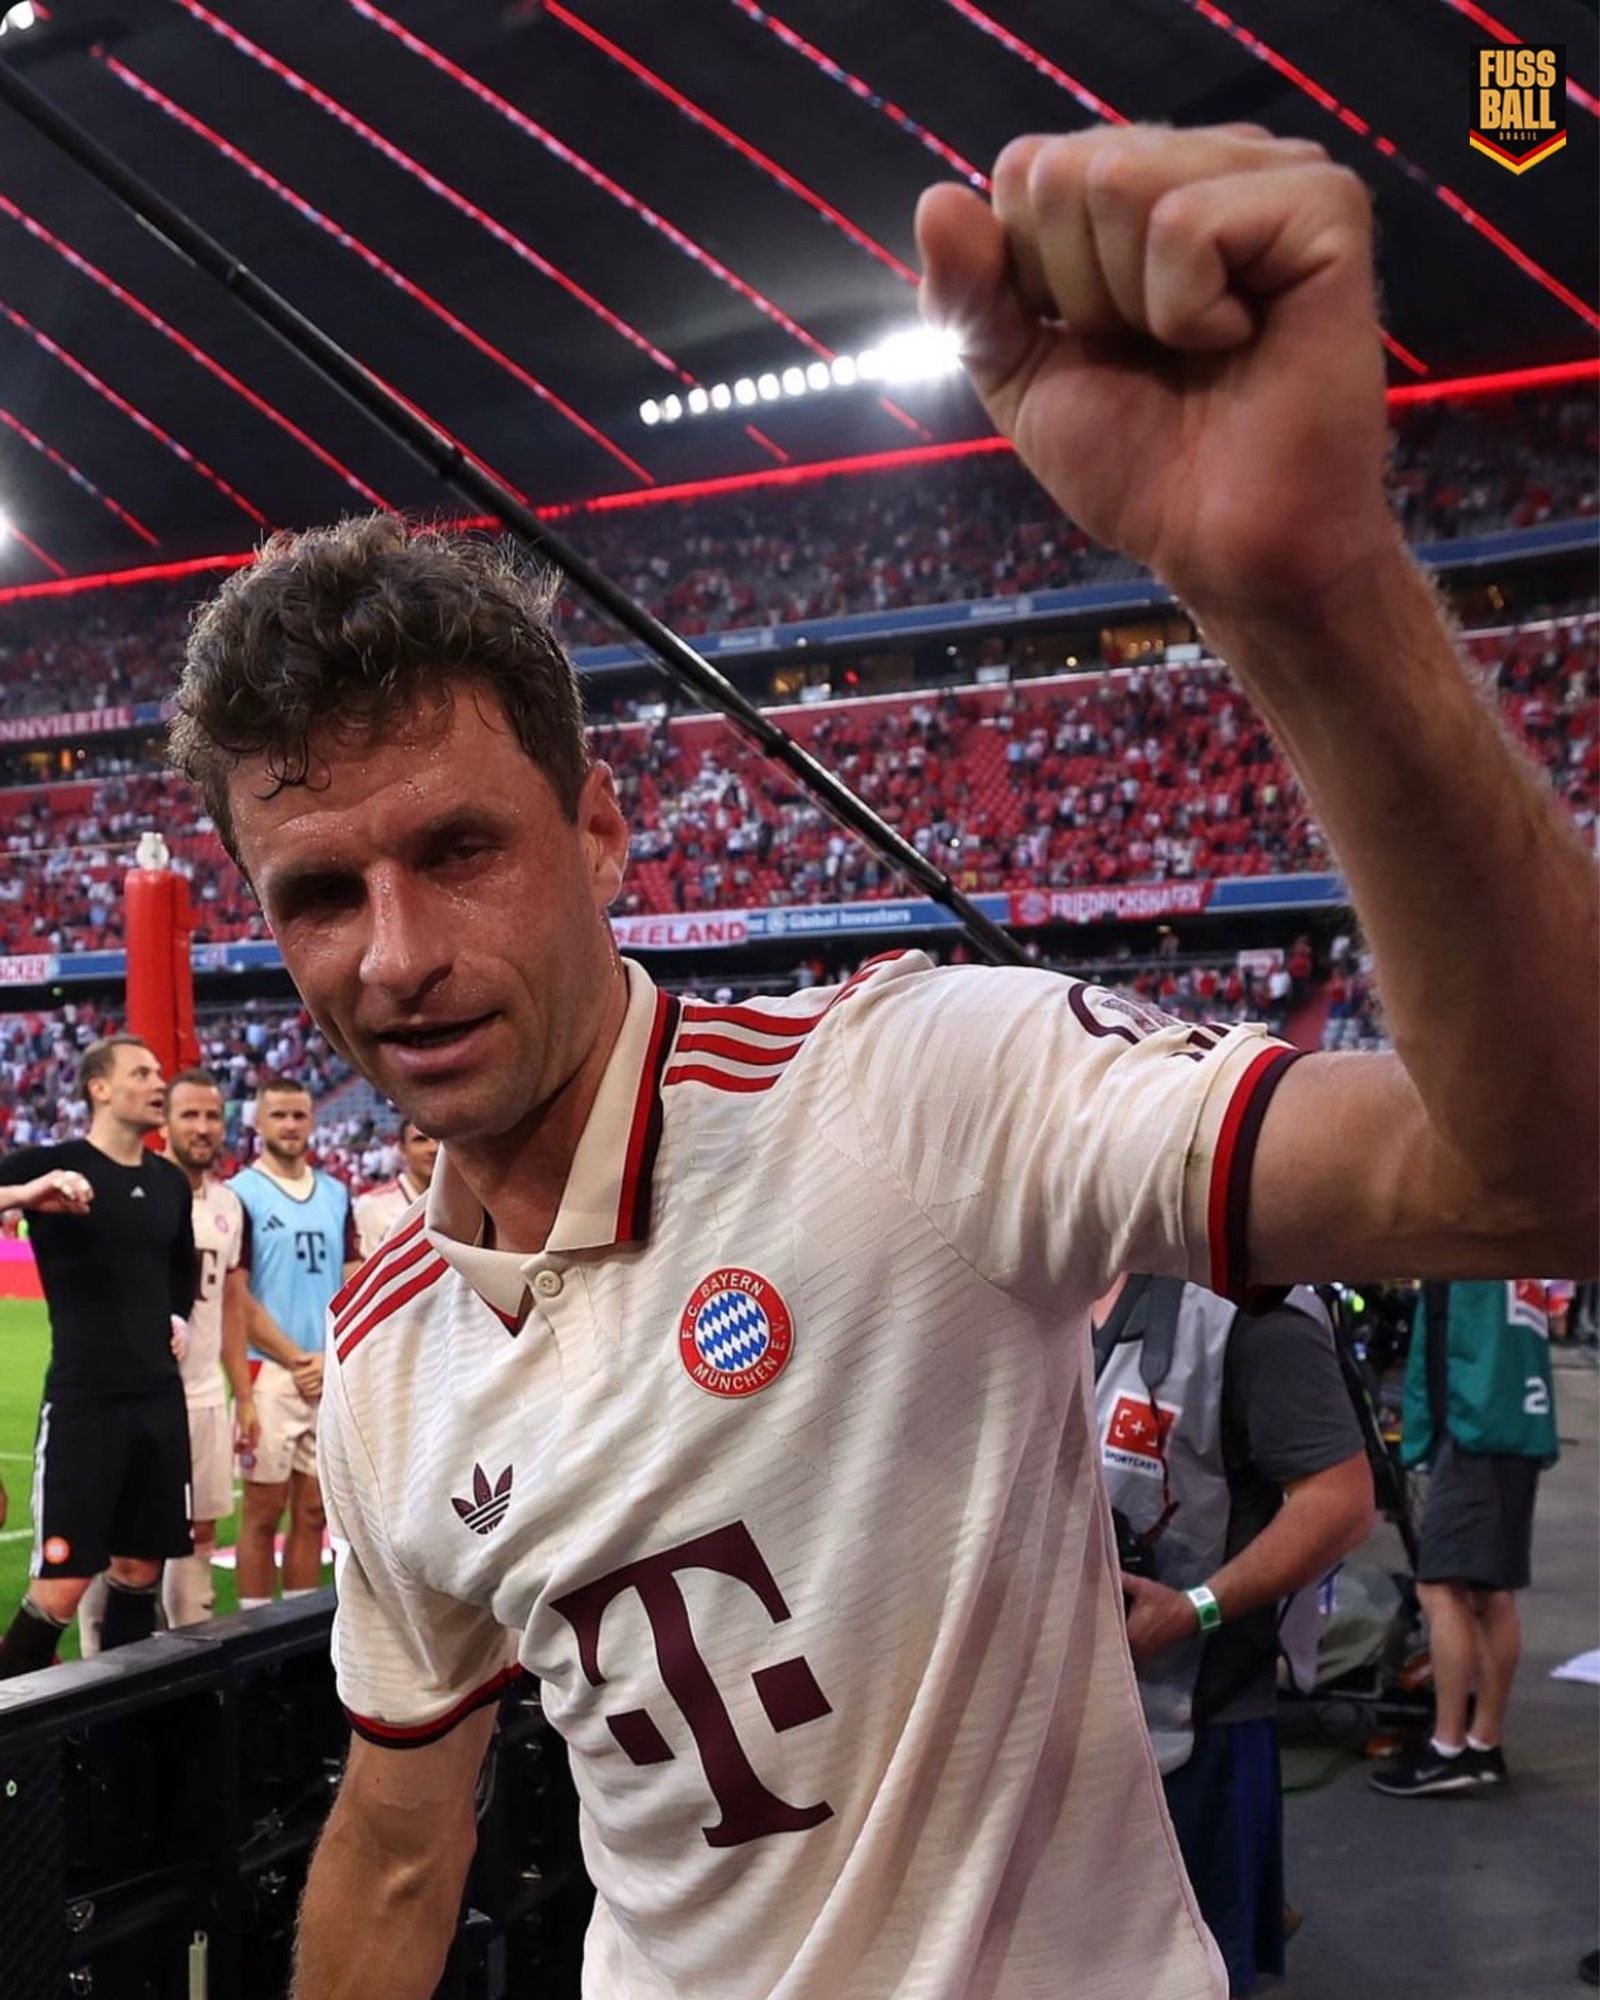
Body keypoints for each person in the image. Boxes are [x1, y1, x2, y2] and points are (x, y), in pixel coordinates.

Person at [168, 127, 1596, 2000]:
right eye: (319, 893)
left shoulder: (908, 1089)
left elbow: (1532, 1177)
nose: (400, 954)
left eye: (459, 849)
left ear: (603, 837)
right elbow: (398, 1832)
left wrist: (1315, 591)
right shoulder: (381, 1363)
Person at [1093, 1274, 1373, 1994]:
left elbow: (1340, 1505)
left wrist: (1196, 1608)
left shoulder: (1249, 1316)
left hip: (1193, 1720)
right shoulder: (1035, 1283)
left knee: (1189, 1973)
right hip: (1050, 1728)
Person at [0, 1037, 194, 1676]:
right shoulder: (50, 1163)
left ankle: (118, 1739)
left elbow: (177, 1270)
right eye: (142, 1072)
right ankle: (15, 1730)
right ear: (99, 1088)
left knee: (140, 1573)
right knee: (62, 1586)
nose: (158, 1081)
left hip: (160, 1403)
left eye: (160, 1071)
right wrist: (27, 1195)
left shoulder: (170, 1182)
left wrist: (176, 1316)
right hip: (86, 1403)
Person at [1372, 1279, 1559, 1798]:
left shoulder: (1471, 1249)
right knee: (1487, 1590)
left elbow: (1446, 1339)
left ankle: (1450, 1746)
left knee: (1442, 1587)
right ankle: (1482, 1745)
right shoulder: (1513, 1244)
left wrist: (1429, 1432)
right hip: (1511, 1421)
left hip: (1481, 1427)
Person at [231, 1078, 358, 1610]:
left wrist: (327, 1357)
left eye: (298, 1116)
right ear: (258, 1124)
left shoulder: (335, 1194)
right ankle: (253, 1634)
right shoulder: (240, 1193)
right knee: (263, 1512)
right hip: (272, 1372)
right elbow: (237, 1299)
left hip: (326, 1369)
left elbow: (353, 1280)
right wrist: (296, 1357)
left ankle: (295, 1631)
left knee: (312, 1512)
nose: (289, 1125)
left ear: (312, 1122)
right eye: (278, 1115)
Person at [352, 1119, 439, 1258]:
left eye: (440, 1140)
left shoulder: (464, 1205)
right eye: (420, 1140)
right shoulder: (373, 1205)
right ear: (402, 1149)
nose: (433, 1148)